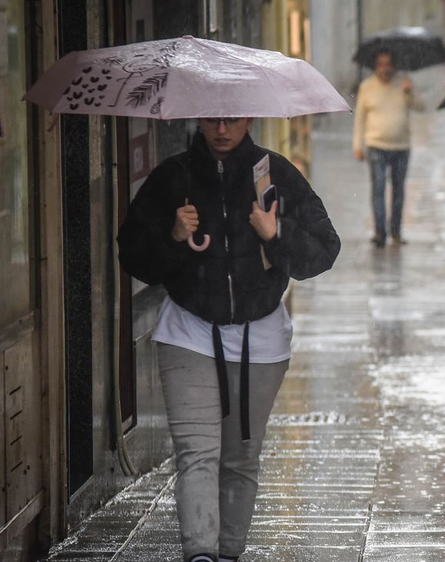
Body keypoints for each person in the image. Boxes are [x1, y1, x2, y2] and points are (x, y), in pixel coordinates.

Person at [118, 116, 341, 562]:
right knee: (196, 454)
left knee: (239, 459)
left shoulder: (275, 174)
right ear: (199, 120)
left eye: (232, 119)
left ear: (249, 119)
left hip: (260, 339)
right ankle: (200, 553)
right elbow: (133, 256)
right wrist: (173, 236)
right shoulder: (173, 177)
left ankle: (228, 554)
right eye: (213, 119)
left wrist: (275, 233)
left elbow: (323, 251)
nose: (222, 128)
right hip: (188, 333)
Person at [353, 49, 424, 247]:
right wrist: (357, 145)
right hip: (376, 145)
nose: (385, 68)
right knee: (378, 188)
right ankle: (380, 232)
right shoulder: (367, 87)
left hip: (401, 146)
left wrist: (409, 93)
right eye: (381, 64)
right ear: (376, 67)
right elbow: (359, 118)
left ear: (394, 65)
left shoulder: (404, 83)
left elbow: (421, 106)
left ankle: (396, 231)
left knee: (399, 190)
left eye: (388, 64)